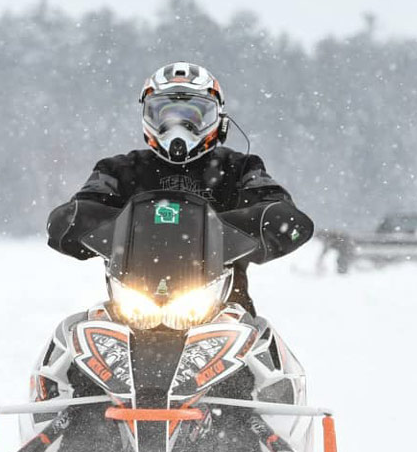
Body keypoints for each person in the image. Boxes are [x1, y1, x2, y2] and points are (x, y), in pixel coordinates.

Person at [45, 62, 311, 310]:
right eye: (166, 115)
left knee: (263, 350)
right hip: (133, 305)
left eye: (194, 116)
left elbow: (281, 211)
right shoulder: (118, 170)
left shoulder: (239, 168)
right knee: (71, 338)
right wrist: (74, 222)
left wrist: (265, 221)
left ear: (218, 119)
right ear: (147, 116)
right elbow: (77, 211)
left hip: (222, 307)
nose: (179, 127)